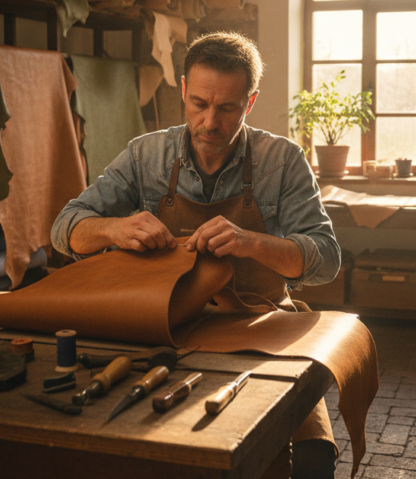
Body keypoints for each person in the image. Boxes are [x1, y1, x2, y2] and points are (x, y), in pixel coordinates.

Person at [51, 31, 341, 479]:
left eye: (227, 108)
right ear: (183, 90)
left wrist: (252, 242)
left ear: (250, 102)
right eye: (199, 103)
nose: (210, 122)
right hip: (164, 326)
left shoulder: (282, 160)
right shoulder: (146, 155)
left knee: (310, 458)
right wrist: (115, 228)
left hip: (260, 326)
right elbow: (64, 228)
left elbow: (326, 258)